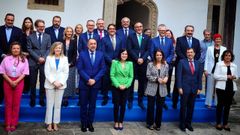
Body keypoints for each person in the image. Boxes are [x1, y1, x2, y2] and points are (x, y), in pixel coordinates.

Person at [77, 39, 106, 132]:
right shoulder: (82, 54)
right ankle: (84, 123)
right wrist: (88, 79)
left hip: (95, 84)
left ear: (96, 45)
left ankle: (90, 123)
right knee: (83, 105)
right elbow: (80, 69)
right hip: (84, 84)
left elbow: (103, 69)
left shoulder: (100, 54)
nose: (93, 45)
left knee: (92, 105)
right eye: (91, 44)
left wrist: (94, 80)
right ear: (87, 45)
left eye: (94, 43)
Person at [0, 42, 29, 132]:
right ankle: (7, 123)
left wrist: (16, 81)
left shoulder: (24, 59)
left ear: (20, 50)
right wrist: (10, 81)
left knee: (16, 103)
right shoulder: (6, 59)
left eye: (17, 48)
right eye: (14, 48)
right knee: (8, 103)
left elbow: (25, 72)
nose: (16, 50)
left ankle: (14, 123)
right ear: (11, 49)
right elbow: (2, 72)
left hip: (19, 81)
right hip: (7, 80)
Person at [172, 25, 200, 109]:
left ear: (193, 31)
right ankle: (174, 102)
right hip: (181, 64)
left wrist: (192, 60)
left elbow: (198, 53)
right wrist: (186, 60)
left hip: (192, 65)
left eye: (191, 30)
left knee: (191, 83)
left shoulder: (196, 41)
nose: (190, 32)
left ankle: (188, 102)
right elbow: (178, 51)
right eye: (188, 30)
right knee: (178, 83)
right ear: (185, 31)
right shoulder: (180, 39)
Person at [44, 42, 69, 132]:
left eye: (60, 48)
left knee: (58, 105)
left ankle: (55, 123)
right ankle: (49, 123)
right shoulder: (49, 58)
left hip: (61, 85)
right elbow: (47, 72)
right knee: (50, 105)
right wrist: (54, 82)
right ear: (53, 49)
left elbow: (66, 72)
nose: (58, 49)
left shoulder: (65, 59)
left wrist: (60, 82)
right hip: (50, 84)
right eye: (56, 48)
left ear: (62, 49)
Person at [27, 19, 51, 107]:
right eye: (40, 26)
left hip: (44, 62)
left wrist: (44, 58)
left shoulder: (47, 36)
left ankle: (41, 99)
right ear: (36, 27)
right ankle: (32, 100)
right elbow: (29, 49)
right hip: (33, 62)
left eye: (43, 26)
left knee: (43, 82)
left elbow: (49, 48)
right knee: (32, 82)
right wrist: (38, 58)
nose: (42, 28)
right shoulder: (30, 37)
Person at [177, 48, 202, 132]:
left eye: (191, 52)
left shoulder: (198, 63)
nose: (189, 54)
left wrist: (199, 87)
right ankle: (182, 124)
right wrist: (179, 87)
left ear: (194, 53)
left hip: (194, 89)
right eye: (188, 52)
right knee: (183, 107)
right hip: (184, 88)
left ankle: (188, 123)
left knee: (191, 107)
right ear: (186, 53)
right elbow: (179, 76)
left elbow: (199, 77)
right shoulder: (181, 62)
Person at [127, 22, 150, 110]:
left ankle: (140, 101)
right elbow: (129, 49)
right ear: (134, 28)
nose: (139, 28)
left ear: (142, 27)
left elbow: (148, 50)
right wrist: (137, 58)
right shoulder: (130, 36)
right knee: (131, 81)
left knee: (142, 82)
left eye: (140, 26)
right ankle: (130, 100)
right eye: (137, 27)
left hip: (143, 63)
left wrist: (142, 59)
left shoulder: (147, 37)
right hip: (133, 62)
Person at [0, 13, 22, 104]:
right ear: (5, 19)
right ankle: (1, 97)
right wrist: (2, 54)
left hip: (14, 58)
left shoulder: (18, 31)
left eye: (12, 20)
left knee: (12, 77)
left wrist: (12, 55)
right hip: (1, 56)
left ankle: (11, 98)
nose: (10, 21)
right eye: (8, 20)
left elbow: (19, 44)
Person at [214, 50, 238, 131]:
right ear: (223, 56)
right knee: (220, 105)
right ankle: (218, 123)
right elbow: (215, 76)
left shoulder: (234, 65)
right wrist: (226, 77)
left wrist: (234, 77)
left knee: (228, 106)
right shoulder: (219, 64)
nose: (228, 57)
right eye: (226, 55)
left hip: (231, 87)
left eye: (229, 56)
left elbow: (237, 76)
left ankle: (225, 123)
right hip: (221, 88)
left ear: (231, 57)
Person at [145, 50, 169, 131]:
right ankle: (150, 123)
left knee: (160, 108)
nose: (159, 56)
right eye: (157, 55)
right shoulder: (150, 64)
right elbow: (148, 75)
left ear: (162, 56)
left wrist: (166, 78)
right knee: (150, 107)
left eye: (160, 55)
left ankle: (158, 124)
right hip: (151, 88)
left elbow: (167, 75)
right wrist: (156, 79)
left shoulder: (165, 65)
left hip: (162, 89)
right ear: (155, 56)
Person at [110, 49, 133, 130]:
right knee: (116, 105)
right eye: (123, 53)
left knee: (123, 105)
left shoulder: (130, 63)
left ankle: (121, 122)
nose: (124, 55)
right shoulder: (115, 63)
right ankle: (116, 121)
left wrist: (126, 85)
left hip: (126, 87)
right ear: (120, 54)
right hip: (116, 87)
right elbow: (112, 75)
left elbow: (131, 77)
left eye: (126, 54)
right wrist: (118, 85)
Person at [101, 24, 123, 106]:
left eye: (113, 29)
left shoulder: (119, 39)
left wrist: (117, 61)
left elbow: (121, 51)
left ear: (115, 30)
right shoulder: (103, 39)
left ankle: (115, 98)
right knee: (106, 81)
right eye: (110, 29)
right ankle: (105, 97)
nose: (112, 30)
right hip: (107, 63)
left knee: (116, 80)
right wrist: (111, 61)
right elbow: (103, 52)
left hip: (117, 63)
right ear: (108, 30)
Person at [204, 34, 226, 108]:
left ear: (221, 40)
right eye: (216, 39)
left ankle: (217, 103)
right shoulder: (210, 48)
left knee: (218, 88)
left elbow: (225, 60)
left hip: (220, 71)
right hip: (211, 70)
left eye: (219, 39)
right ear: (214, 40)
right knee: (210, 88)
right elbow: (206, 59)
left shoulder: (224, 49)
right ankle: (208, 103)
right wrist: (205, 69)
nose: (218, 40)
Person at [62, 26, 77, 107]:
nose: (69, 33)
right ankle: (62, 97)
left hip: (71, 64)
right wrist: (63, 63)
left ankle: (66, 98)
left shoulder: (74, 41)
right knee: (63, 80)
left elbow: (75, 54)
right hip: (62, 64)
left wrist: (71, 63)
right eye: (68, 31)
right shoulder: (61, 41)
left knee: (69, 81)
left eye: (71, 32)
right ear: (65, 32)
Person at [20, 17, 34, 93]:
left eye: (29, 22)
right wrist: (22, 52)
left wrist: (30, 53)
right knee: (22, 72)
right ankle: (23, 88)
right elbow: (18, 43)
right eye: (26, 22)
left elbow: (36, 45)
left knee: (30, 72)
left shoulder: (34, 33)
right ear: (24, 23)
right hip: (22, 55)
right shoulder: (20, 32)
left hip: (32, 56)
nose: (27, 23)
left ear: (31, 23)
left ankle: (29, 88)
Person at [199, 29, 213, 96]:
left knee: (209, 79)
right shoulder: (200, 43)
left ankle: (207, 94)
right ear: (203, 35)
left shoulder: (213, 43)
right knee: (198, 78)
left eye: (208, 34)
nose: (207, 36)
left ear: (210, 35)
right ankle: (198, 92)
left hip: (209, 63)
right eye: (206, 34)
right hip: (201, 62)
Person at [165, 29, 176, 98]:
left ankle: (168, 92)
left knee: (168, 78)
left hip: (170, 63)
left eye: (169, 33)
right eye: (167, 33)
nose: (168, 34)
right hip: (162, 62)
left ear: (171, 35)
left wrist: (169, 60)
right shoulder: (163, 42)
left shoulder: (174, 43)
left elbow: (174, 53)